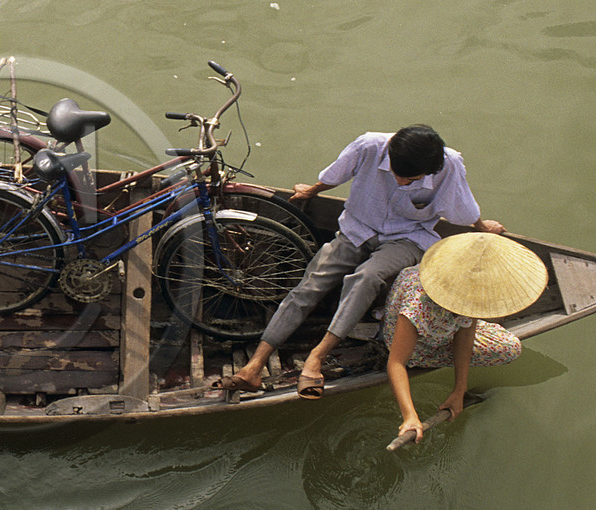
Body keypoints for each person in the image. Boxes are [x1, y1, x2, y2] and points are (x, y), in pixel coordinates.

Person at [222, 125, 508, 397]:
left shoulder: (451, 164)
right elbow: (335, 175)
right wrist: (312, 190)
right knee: (310, 285)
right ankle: (255, 365)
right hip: (356, 228)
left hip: (407, 237)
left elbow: (463, 208)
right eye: (397, 174)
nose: (400, 182)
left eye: (410, 181)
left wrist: (484, 228)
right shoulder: (370, 145)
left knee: (366, 278)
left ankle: (316, 357)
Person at [380, 233, 546, 442]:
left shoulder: (469, 292)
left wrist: (459, 390)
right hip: (417, 346)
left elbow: (465, 335)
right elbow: (396, 363)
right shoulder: (419, 303)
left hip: (445, 328)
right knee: (507, 349)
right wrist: (410, 415)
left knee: (510, 346)